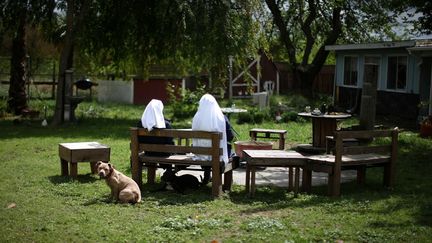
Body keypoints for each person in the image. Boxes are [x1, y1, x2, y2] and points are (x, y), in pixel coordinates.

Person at [192, 94, 235, 184]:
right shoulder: (222, 118)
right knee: (231, 153)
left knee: (207, 148)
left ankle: (207, 175)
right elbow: (230, 137)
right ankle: (225, 183)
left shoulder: (196, 118)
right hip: (217, 155)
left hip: (200, 154)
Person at [136, 99, 174, 171]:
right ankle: (169, 173)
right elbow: (170, 140)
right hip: (164, 154)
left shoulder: (141, 124)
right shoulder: (166, 125)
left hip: (148, 152)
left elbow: (139, 140)